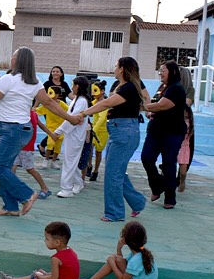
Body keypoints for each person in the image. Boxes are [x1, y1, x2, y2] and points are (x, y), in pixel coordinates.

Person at [0, 47, 81, 216]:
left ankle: (26, 195)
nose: (11, 58)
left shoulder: (8, 80)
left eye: (13, 56)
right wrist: (70, 118)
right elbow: (49, 103)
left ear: (18, 61)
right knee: (4, 167)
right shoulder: (34, 82)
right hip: (22, 129)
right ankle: (10, 206)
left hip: (12, 129)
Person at [79, 56, 150, 221]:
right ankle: (137, 202)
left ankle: (115, 213)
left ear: (123, 69)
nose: (114, 67)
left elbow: (105, 104)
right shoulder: (125, 87)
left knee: (113, 174)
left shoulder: (128, 88)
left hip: (123, 132)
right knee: (116, 172)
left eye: (117, 65)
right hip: (120, 131)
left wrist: (83, 113)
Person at [141, 59, 187, 210]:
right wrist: (149, 112)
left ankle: (170, 198)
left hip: (172, 133)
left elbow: (162, 105)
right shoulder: (163, 88)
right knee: (147, 158)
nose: (160, 73)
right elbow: (156, 105)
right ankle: (157, 185)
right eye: (159, 70)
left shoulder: (176, 89)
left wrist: (143, 107)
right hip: (155, 130)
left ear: (173, 72)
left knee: (168, 163)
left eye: (163, 70)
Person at [51, 76, 90, 197]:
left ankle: (66, 188)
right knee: (70, 160)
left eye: (73, 85)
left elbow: (72, 119)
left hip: (75, 135)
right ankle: (78, 182)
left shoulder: (82, 101)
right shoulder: (76, 100)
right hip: (71, 134)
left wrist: (58, 131)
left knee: (70, 161)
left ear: (77, 86)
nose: (72, 87)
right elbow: (69, 117)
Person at [36, 86, 67, 169]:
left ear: (58, 95)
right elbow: (38, 110)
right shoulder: (47, 105)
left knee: (58, 146)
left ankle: (53, 161)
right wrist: (34, 108)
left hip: (60, 128)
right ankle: (46, 160)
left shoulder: (62, 104)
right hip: (51, 128)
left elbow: (69, 111)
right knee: (50, 143)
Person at [88, 81, 109, 181]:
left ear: (102, 91)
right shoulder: (94, 103)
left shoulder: (105, 103)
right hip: (94, 129)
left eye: (95, 91)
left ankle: (95, 170)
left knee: (98, 151)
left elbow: (102, 118)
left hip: (103, 131)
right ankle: (89, 166)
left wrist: (94, 129)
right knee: (90, 147)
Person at [177, 105, 194, 193]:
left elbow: (189, 135)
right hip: (174, 145)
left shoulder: (189, 124)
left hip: (184, 147)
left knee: (183, 172)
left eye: (186, 116)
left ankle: (182, 182)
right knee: (167, 167)